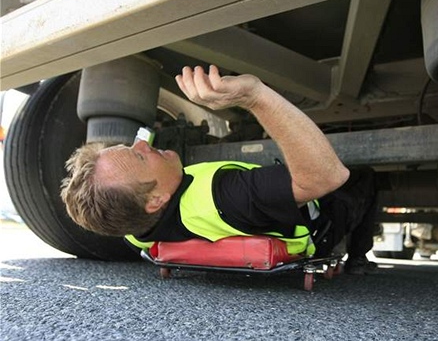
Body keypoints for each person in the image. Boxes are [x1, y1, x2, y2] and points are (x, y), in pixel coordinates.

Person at [61, 65, 378, 274]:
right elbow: (327, 176)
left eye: (131, 146)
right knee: (365, 176)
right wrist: (254, 96)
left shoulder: (136, 230)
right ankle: (358, 258)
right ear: (156, 199)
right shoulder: (225, 197)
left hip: (256, 214)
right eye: (140, 157)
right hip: (320, 224)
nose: (142, 144)